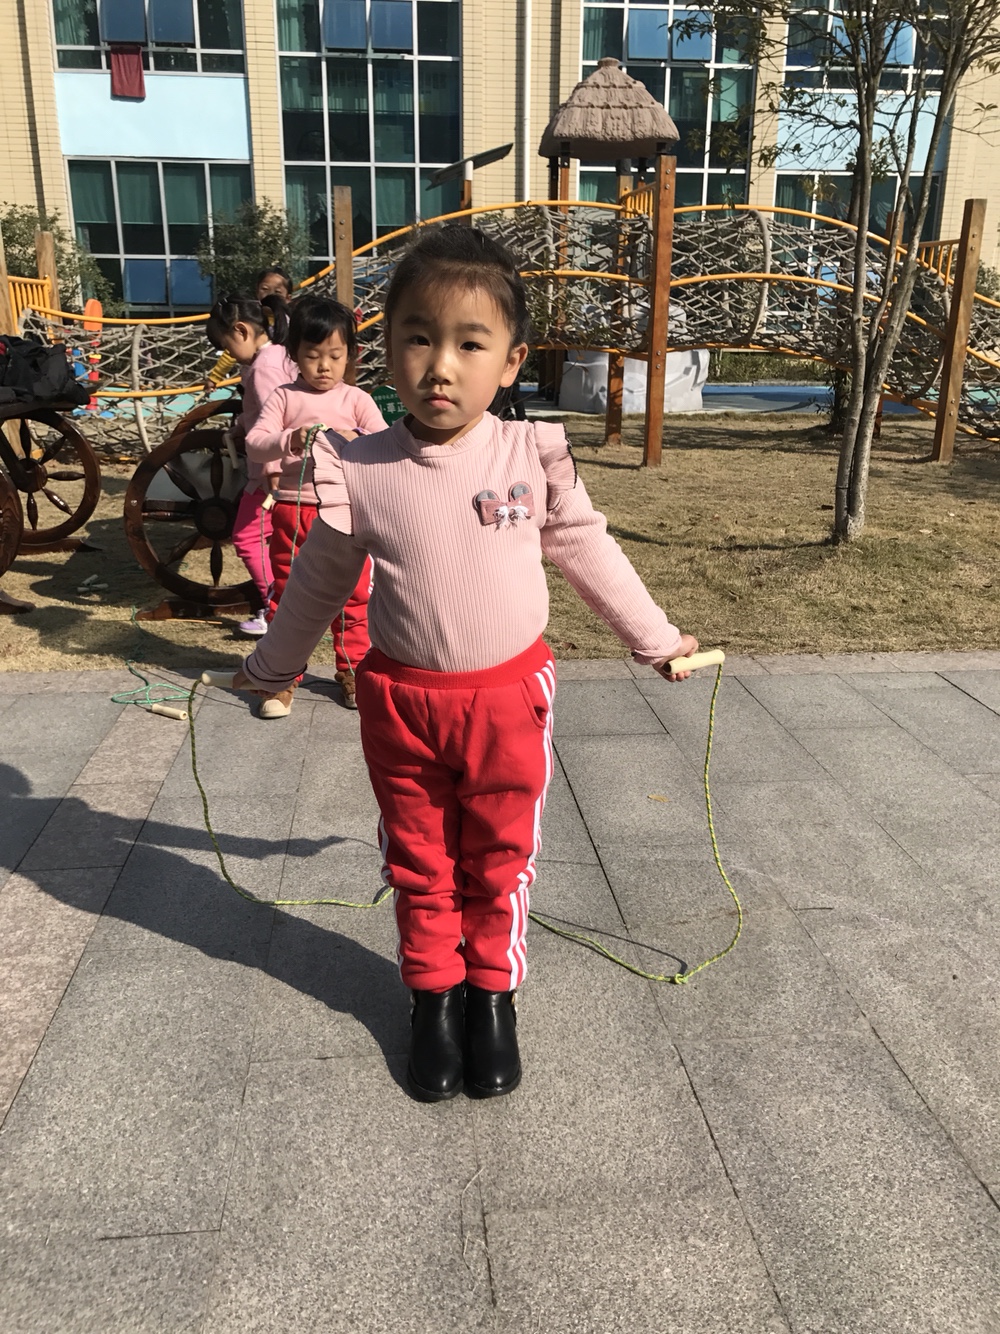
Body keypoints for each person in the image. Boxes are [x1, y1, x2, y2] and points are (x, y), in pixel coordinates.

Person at [234, 226, 699, 1101]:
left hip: (508, 700)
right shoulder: (360, 466)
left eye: (469, 344)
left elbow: (587, 548)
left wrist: (657, 638)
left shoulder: (529, 454)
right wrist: (271, 667)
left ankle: (491, 993)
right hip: (401, 704)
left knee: (500, 855)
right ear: (388, 348)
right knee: (419, 858)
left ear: (512, 360)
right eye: (418, 338)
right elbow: (317, 583)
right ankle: (431, 995)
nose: (440, 367)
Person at [245, 295, 388, 715]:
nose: (324, 366)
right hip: (294, 510)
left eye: (335, 356)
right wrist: (289, 439)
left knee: (353, 597)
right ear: (293, 355)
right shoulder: (284, 398)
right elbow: (255, 443)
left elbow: (384, 442)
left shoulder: (357, 400)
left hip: (346, 516)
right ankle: (279, 677)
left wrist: (355, 438)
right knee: (287, 596)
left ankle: (354, 671)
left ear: (350, 355)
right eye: (312, 356)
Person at [204, 292, 295, 637]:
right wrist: (243, 424)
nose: (227, 353)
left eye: (226, 345)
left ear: (241, 331)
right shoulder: (275, 357)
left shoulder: (263, 369)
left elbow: (278, 418)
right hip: (282, 468)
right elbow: (265, 411)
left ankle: (277, 610)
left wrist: (274, 470)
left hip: (271, 472)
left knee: (246, 537)